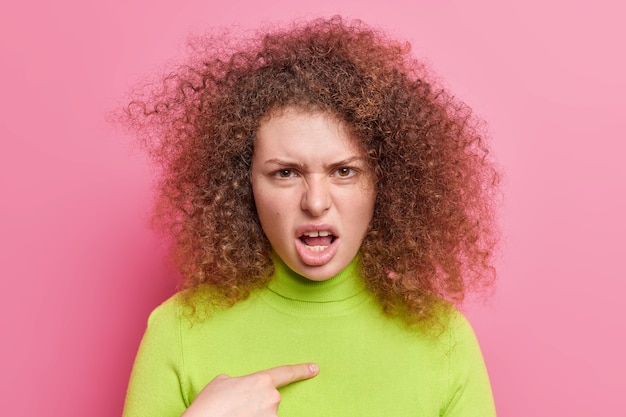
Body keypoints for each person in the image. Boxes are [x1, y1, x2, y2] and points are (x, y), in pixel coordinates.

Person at [121, 16, 500, 417]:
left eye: (344, 171)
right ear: (241, 182)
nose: (316, 202)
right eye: (285, 173)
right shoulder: (177, 331)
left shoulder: (444, 340)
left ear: (385, 183)